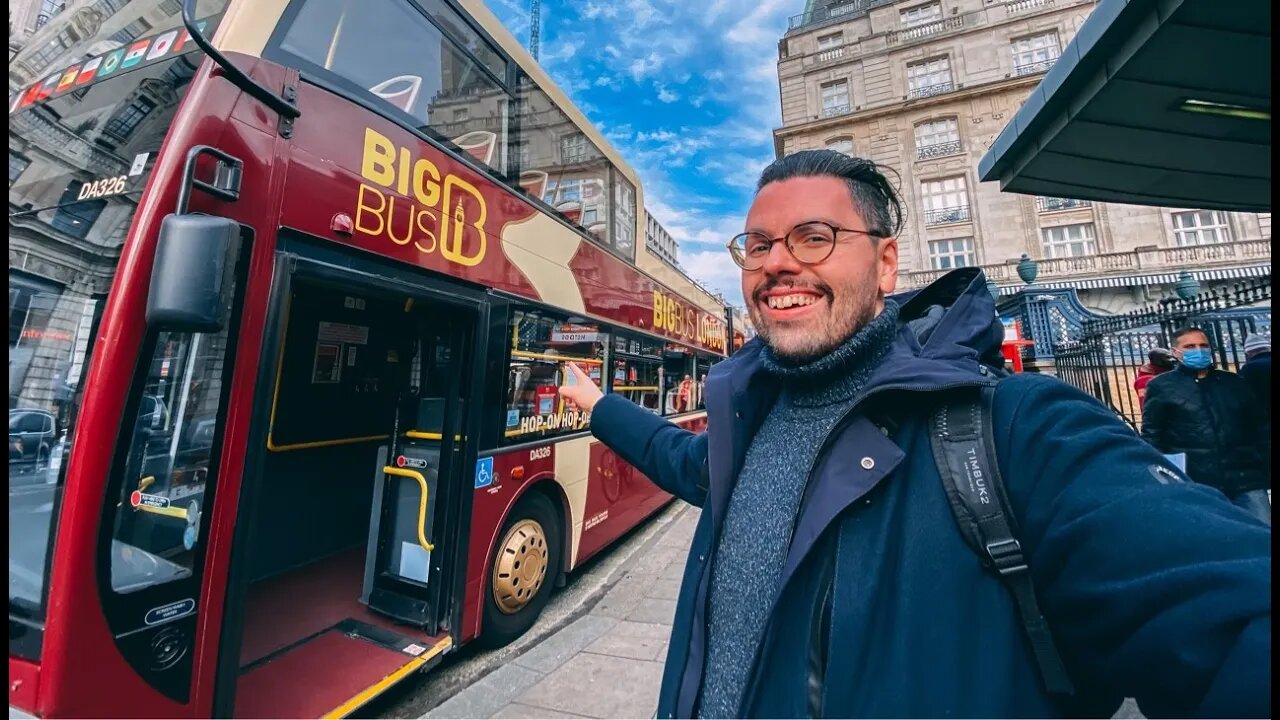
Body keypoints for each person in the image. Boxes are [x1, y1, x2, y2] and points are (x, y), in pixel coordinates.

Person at [557, 150, 1270, 719]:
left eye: (815, 238)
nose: (778, 262)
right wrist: (598, 404)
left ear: (886, 264)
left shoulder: (1018, 431)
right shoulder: (751, 422)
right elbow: (678, 461)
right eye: (760, 244)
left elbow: (1232, 622)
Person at [1141, 328, 1270, 524]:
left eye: (1203, 346)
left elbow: (1258, 426)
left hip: (1246, 478)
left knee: (1261, 536)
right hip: (1197, 479)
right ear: (1176, 352)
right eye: (1190, 347)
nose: (1198, 351)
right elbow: (1153, 435)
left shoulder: (1233, 382)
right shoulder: (1162, 386)